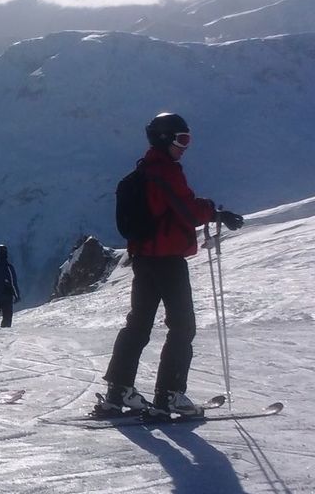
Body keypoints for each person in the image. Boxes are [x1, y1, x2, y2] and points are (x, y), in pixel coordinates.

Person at [99, 112, 244, 417]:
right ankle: (170, 395)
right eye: (181, 139)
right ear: (165, 139)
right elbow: (187, 211)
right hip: (167, 260)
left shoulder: (144, 171)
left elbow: (172, 206)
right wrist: (217, 213)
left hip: (144, 259)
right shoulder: (166, 171)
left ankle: (118, 391)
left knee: (138, 324)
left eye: (187, 139)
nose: (185, 146)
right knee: (182, 326)